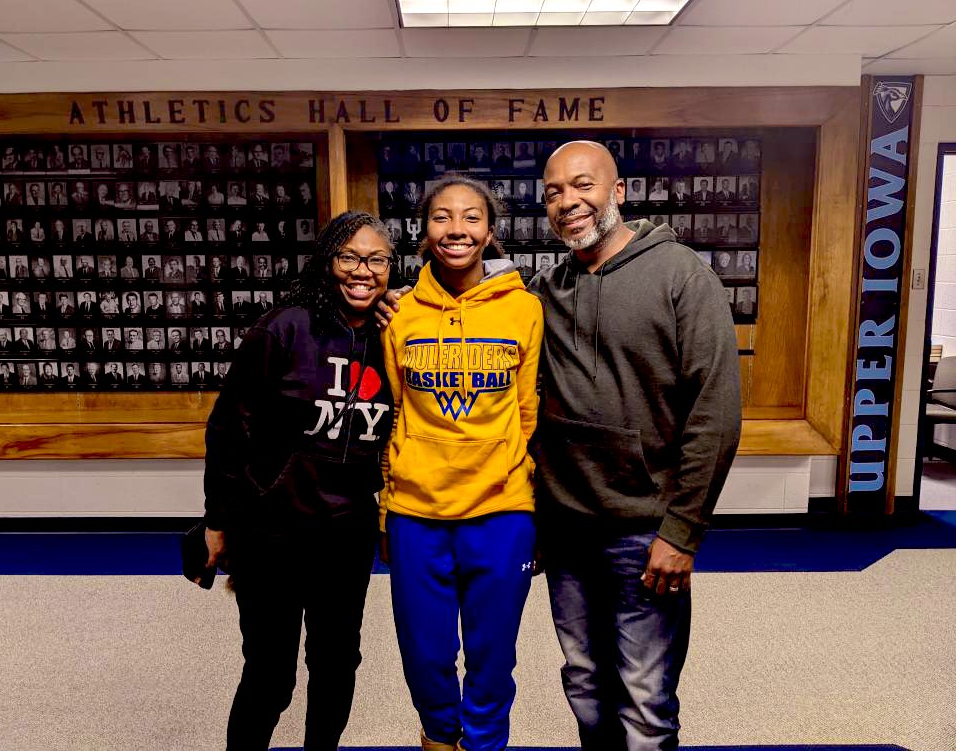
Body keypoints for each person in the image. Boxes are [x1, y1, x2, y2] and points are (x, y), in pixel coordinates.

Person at [531, 141, 741, 750]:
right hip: (567, 529)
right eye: (554, 192)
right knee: (585, 684)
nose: (568, 202)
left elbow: (717, 413)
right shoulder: (547, 287)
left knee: (646, 702)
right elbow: (469, 305)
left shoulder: (681, 275)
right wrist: (392, 305)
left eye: (582, 185)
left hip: (645, 533)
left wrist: (682, 532)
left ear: (618, 192)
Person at [201, 211, 396, 751]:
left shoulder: (393, 337)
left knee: (337, 664)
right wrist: (218, 520)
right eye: (350, 257)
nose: (363, 271)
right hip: (272, 533)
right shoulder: (282, 328)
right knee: (270, 672)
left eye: (377, 259)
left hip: (347, 532)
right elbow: (228, 429)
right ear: (327, 261)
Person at [380, 176, 542, 751]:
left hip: (501, 510)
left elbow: (527, 410)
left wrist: (523, 492)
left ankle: (485, 745)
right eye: (442, 218)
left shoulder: (524, 309)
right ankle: (440, 740)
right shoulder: (397, 314)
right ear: (424, 231)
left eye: (471, 218)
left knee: (493, 655)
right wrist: (386, 508)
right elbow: (393, 411)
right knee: (424, 654)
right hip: (415, 511)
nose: (457, 230)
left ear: (491, 231)